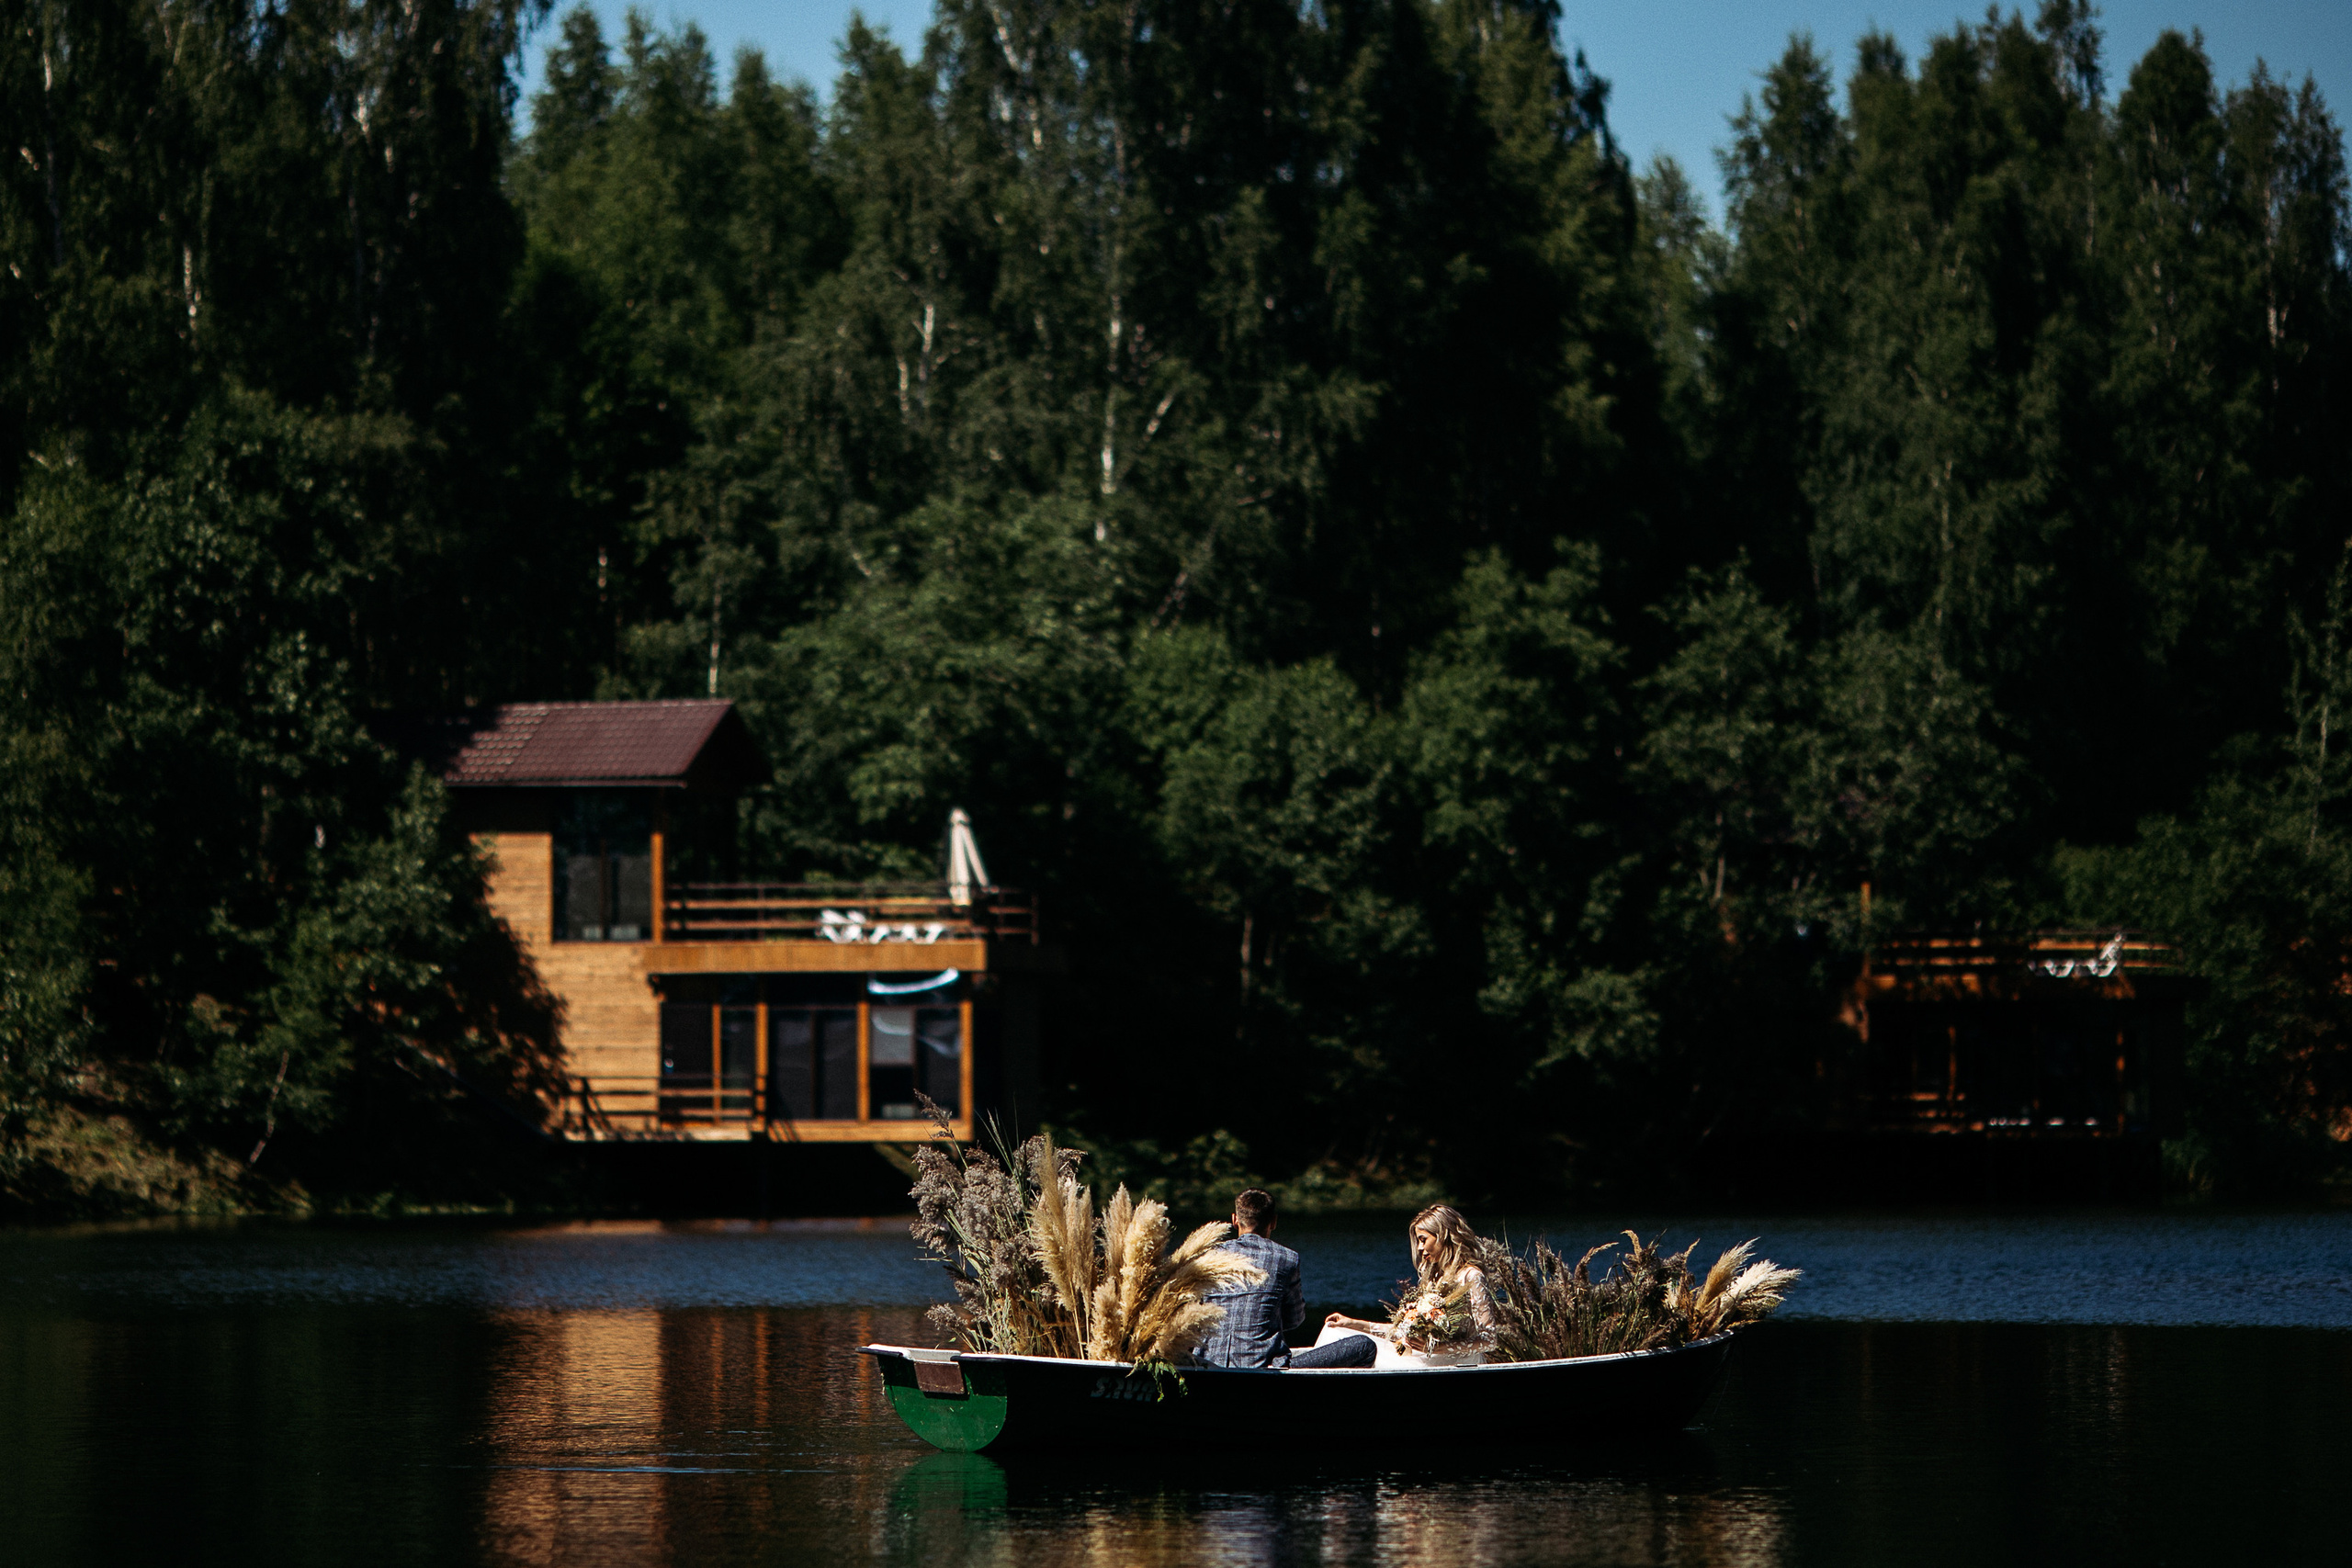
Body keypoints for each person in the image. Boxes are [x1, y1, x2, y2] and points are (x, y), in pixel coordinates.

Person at [1193, 1189, 1378, 1370]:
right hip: (1266, 1368)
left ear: (1234, 1220)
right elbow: (1295, 1319)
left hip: (1208, 1364)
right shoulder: (1287, 1258)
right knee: (1364, 1345)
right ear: (1273, 1222)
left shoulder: (1208, 1256)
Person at [1323, 1203, 1498, 1362]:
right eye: (1418, 1241)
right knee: (1337, 1332)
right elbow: (1402, 1330)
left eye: (1423, 1240)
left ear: (1443, 1236)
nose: (1420, 1248)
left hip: (1455, 1363)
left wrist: (1437, 1349)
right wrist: (1353, 1324)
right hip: (1427, 1357)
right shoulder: (1433, 1276)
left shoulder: (1471, 1276)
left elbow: (1489, 1340)